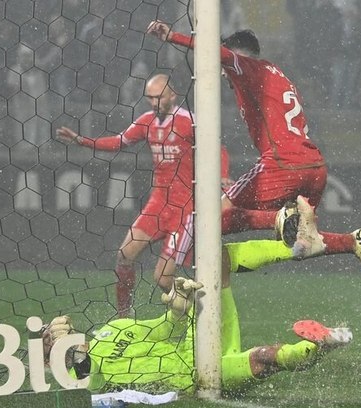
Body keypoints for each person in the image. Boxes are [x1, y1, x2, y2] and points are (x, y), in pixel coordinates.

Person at [146, 21, 361, 281]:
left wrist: (173, 37)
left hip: (282, 164)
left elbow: (216, 53)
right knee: (303, 243)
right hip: (314, 167)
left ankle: (274, 221)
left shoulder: (250, 68)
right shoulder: (277, 74)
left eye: (225, 67)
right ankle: (352, 242)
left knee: (209, 219)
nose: (223, 72)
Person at [41, 206, 351, 393]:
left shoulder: (113, 328)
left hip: (196, 337)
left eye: (54, 336)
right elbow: (88, 384)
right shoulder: (72, 380)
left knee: (216, 259)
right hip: (194, 375)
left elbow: (161, 329)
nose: (58, 339)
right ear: (48, 360)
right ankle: (320, 344)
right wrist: (76, 354)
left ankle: (299, 246)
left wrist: (178, 305)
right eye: (50, 343)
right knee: (263, 358)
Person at [55, 74, 232, 314]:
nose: (154, 103)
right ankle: (124, 316)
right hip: (158, 205)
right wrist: (81, 141)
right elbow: (119, 142)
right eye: (150, 98)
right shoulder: (147, 121)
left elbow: (218, 147)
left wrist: (222, 176)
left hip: (185, 209)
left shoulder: (189, 120)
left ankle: (202, 317)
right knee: (124, 255)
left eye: (158, 97)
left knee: (162, 278)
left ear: (173, 95)